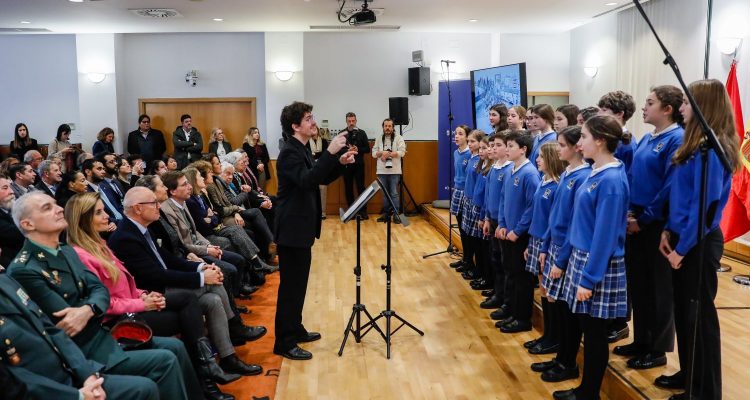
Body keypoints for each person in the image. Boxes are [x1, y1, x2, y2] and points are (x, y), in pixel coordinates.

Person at [7, 192, 192, 400]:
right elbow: (69, 319)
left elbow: (99, 290)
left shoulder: (65, 251)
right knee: (162, 364)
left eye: (55, 204)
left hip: (101, 337)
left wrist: (88, 309)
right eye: (47, 208)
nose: (59, 209)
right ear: (28, 224)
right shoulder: (24, 269)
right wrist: (96, 306)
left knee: (174, 347)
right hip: (86, 350)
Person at [64, 192, 238, 400]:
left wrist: (144, 295)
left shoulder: (100, 245)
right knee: (188, 316)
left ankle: (207, 374)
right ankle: (206, 371)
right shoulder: (85, 253)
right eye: (99, 213)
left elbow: (127, 283)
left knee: (207, 299)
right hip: (118, 321)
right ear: (83, 218)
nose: (107, 216)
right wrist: (141, 302)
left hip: (136, 304)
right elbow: (104, 301)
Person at [108, 187, 265, 377]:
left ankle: (228, 357)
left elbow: (168, 259)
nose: (159, 206)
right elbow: (155, 275)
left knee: (213, 300)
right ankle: (236, 328)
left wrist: (201, 268)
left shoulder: (140, 229)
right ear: (138, 208)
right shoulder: (125, 236)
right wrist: (201, 277)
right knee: (214, 283)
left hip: (164, 284)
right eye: (153, 203)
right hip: (153, 293)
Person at [659, 79, 739, 400]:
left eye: (687, 103)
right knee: (684, 313)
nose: (681, 108)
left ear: (704, 106)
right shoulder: (697, 145)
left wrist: (682, 248)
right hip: (681, 236)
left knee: (699, 317)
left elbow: (705, 209)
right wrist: (667, 229)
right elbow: (682, 197)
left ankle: (705, 390)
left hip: (698, 242)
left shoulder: (714, 149)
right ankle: (691, 375)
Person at [552, 115, 630, 400]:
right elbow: (579, 222)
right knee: (587, 327)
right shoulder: (595, 171)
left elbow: (605, 235)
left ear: (600, 140)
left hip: (596, 264)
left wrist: (589, 278)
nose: (579, 142)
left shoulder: (611, 179)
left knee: (594, 333)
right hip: (580, 257)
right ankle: (585, 389)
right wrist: (563, 260)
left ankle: (589, 393)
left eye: (583, 137)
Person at [273, 101, 356, 360]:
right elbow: (308, 179)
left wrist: (339, 162)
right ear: (295, 126)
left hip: (301, 228)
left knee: (299, 285)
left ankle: (295, 329)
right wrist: (330, 153)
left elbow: (318, 177)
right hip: (291, 228)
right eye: (308, 118)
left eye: (312, 116)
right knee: (291, 287)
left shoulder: (302, 148)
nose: (313, 122)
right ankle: (284, 342)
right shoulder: (289, 152)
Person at [0, 270, 161, 400]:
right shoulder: (21, 269)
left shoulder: (5, 281)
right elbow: (11, 383)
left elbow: (52, 331)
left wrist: (87, 375)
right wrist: (78, 395)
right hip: (47, 390)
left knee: (146, 385)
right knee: (148, 382)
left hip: (70, 372)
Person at [617, 85, 684, 372]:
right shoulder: (646, 138)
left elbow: (669, 185)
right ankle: (641, 338)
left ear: (667, 109)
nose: (644, 108)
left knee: (658, 288)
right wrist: (630, 213)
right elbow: (632, 176)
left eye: (650, 103)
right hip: (636, 219)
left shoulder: (676, 139)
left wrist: (644, 218)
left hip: (655, 222)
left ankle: (657, 348)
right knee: (639, 283)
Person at [532, 126, 591, 384]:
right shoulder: (568, 173)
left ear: (577, 147)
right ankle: (560, 356)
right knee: (559, 307)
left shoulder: (582, 177)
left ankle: (568, 362)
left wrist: (561, 259)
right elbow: (554, 217)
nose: (557, 149)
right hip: (554, 246)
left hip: (566, 251)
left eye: (562, 145)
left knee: (568, 313)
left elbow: (573, 224)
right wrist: (545, 248)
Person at [523, 141, 565, 355]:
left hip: (547, 243)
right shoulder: (543, 181)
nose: (537, 159)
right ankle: (548, 334)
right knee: (543, 289)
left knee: (551, 293)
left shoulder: (557, 186)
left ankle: (555, 337)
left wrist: (544, 247)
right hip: (536, 239)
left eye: (540, 156)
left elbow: (553, 220)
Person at [496, 131, 540, 334]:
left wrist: (517, 230)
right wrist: (502, 224)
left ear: (523, 149)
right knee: (511, 272)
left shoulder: (530, 173)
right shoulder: (509, 171)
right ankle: (512, 312)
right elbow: (503, 200)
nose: (507, 149)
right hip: (507, 231)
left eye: (511, 146)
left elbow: (532, 207)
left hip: (519, 235)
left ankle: (522, 318)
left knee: (522, 278)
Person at [481, 132, 512, 314]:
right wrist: (486, 218)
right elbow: (489, 196)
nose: (493, 149)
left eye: (497, 145)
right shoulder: (494, 168)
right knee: (495, 258)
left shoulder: (508, 169)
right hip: (492, 219)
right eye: (492, 146)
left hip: (502, 222)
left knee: (504, 262)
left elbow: (504, 200)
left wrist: (501, 222)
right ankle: (497, 292)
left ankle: (505, 299)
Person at [458, 131, 484, 281]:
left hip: (475, 202)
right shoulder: (472, 158)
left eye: (473, 141)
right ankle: (468, 262)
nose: (470, 144)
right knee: (467, 234)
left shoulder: (478, 161)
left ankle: (477, 269)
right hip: (468, 199)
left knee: (476, 240)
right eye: (469, 141)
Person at [372, 118, 406, 223]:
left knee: (394, 193)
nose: (387, 128)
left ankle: (396, 214)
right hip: (381, 171)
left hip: (394, 171)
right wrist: (382, 153)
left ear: (393, 127)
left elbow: (402, 152)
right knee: (384, 193)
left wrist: (389, 154)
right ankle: (386, 214)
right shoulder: (379, 138)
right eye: (385, 126)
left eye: (389, 126)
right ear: (383, 127)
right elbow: (373, 153)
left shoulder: (398, 138)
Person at [448, 125, 472, 271]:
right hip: (457, 190)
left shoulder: (470, 154)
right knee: (461, 227)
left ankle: (469, 260)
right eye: (456, 134)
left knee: (466, 228)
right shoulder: (456, 152)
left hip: (465, 192)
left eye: (460, 134)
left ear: (467, 137)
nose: (457, 136)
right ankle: (465, 258)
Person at [598, 91, 638, 172]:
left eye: (604, 110)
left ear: (619, 114)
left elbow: (629, 176)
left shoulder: (628, 145)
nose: (598, 114)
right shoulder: (605, 137)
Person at [341, 112, 370, 218]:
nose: (351, 123)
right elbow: (338, 150)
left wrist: (358, 149)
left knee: (361, 188)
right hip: (346, 165)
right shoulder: (342, 134)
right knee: (348, 188)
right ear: (346, 121)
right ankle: (351, 212)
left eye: (353, 121)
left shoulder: (362, 133)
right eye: (349, 121)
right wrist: (347, 150)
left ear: (356, 121)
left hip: (359, 165)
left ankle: (363, 212)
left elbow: (367, 149)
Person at [0, 175, 24, 267]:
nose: (12, 191)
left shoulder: (11, 210)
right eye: (5, 188)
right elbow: (17, 234)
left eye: (10, 187)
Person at [309, 127, 329, 218]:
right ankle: (313, 212)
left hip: (322, 168)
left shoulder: (324, 141)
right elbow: (307, 154)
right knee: (312, 191)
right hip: (311, 169)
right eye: (311, 130)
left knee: (323, 190)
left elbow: (325, 154)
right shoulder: (306, 142)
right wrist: (316, 155)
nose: (313, 132)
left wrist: (315, 154)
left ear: (317, 131)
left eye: (314, 130)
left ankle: (323, 213)